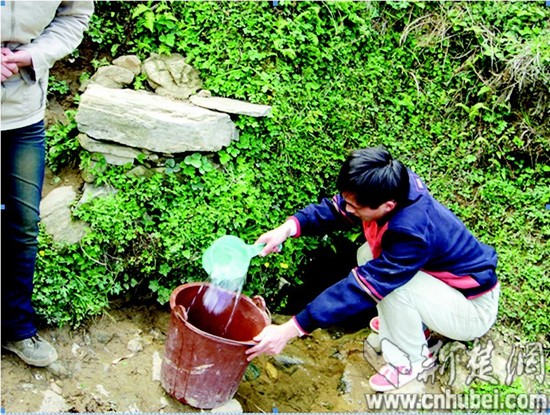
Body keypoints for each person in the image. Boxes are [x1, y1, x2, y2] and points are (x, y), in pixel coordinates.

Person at [246, 146, 499, 392]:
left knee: (392, 287)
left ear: (388, 206)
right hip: (441, 286)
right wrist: (286, 229)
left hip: (472, 309)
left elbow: (361, 288)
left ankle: (411, 361)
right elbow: (337, 209)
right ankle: (408, 325)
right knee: (367, 254)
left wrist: (289, 329)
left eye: (356, 208)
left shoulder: (411, 231)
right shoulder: (391, 184)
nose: (348, 210)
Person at [1, 1, 94, 367]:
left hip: (23, 115)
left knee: (22, 226)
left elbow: (74, 14)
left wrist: (34, 55)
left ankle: (16, 327)